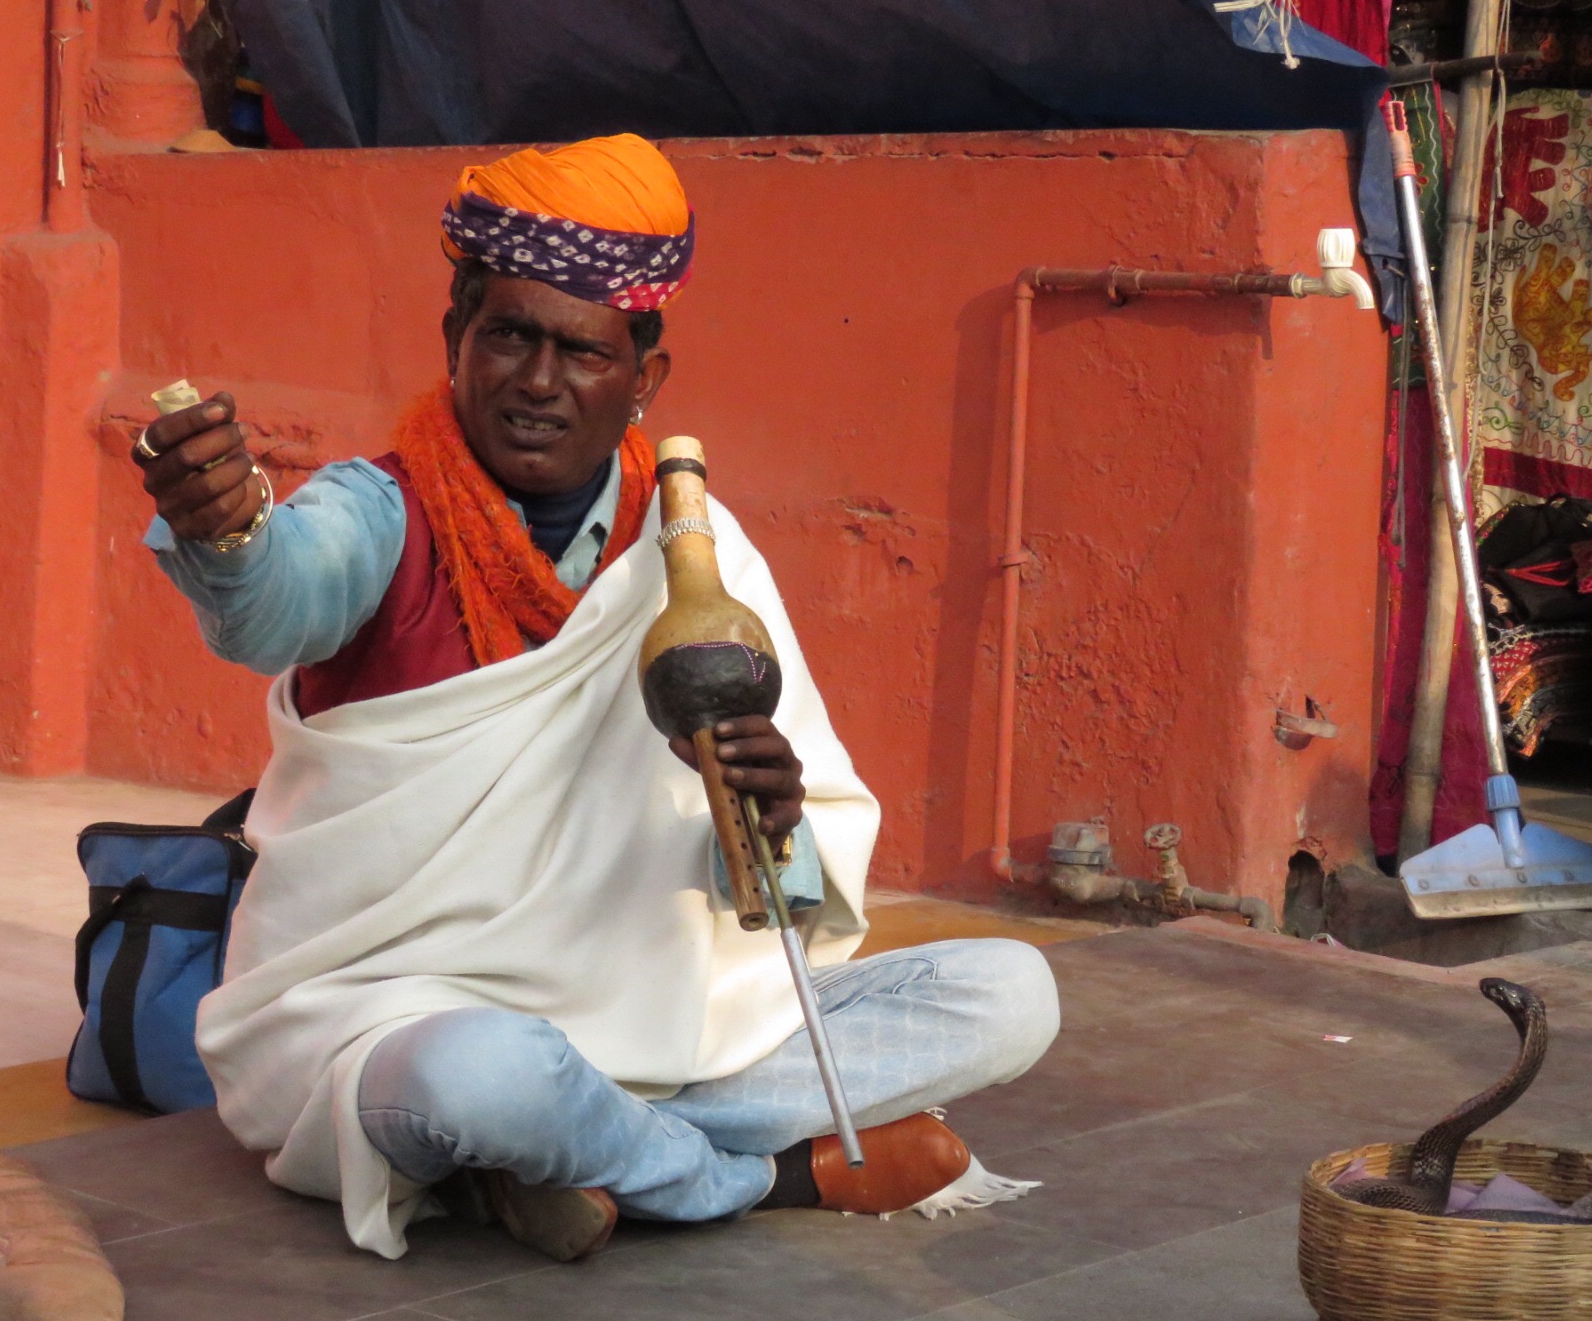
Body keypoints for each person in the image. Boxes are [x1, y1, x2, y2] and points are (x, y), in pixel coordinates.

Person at [132, 133, 1059, 1262]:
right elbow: (280, 603)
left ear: (643, 380)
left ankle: (564, 1156)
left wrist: (773, 826)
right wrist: (227, 535)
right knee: (479, 1078)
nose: (537, 381)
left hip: (665, 1021)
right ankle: (757, 1179)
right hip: (401, 1010)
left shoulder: (698, 556)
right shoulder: (380, 512)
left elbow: (781, 901)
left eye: (580, 351)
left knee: (1010, 993)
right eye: (508, 336)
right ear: (454, 336)